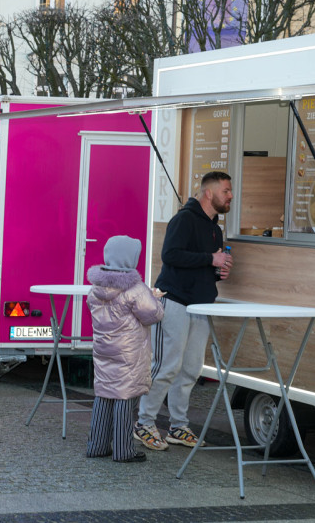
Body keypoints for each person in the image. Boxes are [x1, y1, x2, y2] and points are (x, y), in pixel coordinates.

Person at [135, 170, 234, 451]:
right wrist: (209, 258)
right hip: (175, 300)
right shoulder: (184, 219)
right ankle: (144, 422)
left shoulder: (215, 228)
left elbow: (200, 265)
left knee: (190, 369)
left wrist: (217, 272)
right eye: (225, 191)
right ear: (208, 192)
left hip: (201, 305)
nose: (230, 196)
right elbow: (170, 255)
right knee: (167, 366)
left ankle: (178, 426)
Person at [85, 236, 165, 462]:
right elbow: (153, 315)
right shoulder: (135, 288)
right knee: (124, 397)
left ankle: (97, 445)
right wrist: (155, 298)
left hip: (103, 350)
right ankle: (123, 451)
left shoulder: (95, 288)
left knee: (104, 394)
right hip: (129, 353)